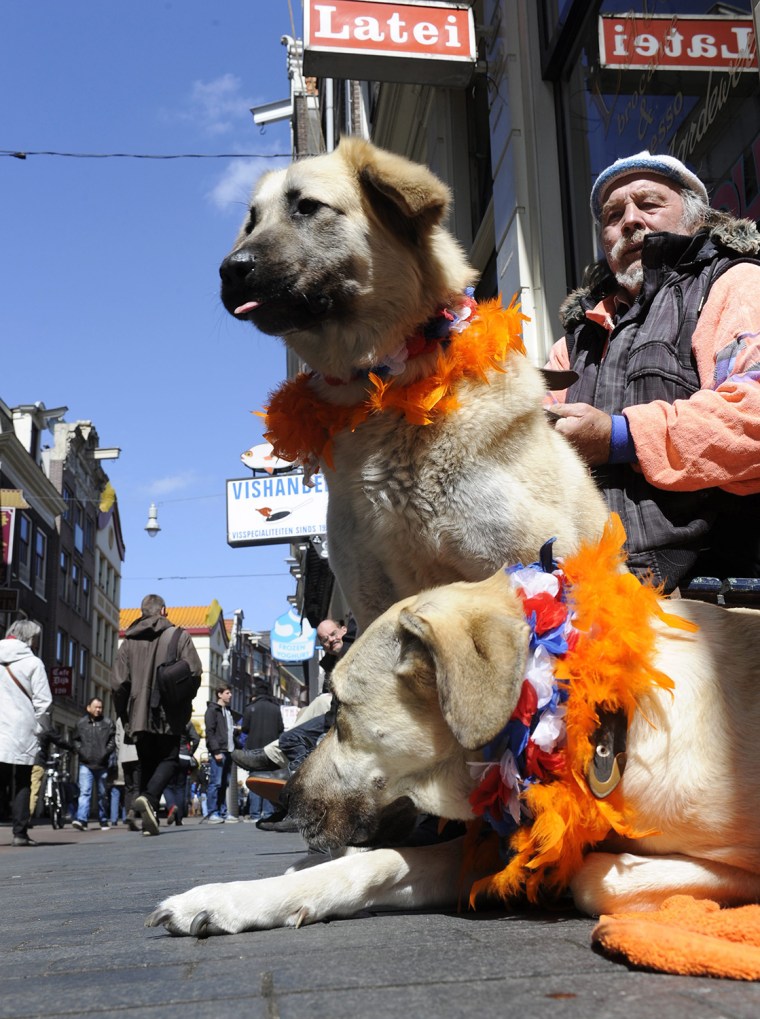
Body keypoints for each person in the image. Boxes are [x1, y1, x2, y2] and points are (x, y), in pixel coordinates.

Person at [545, 151, 760, 594]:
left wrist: (619, 437)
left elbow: (753, 417)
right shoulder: (575, 340)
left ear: (696, 217)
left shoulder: (733, 285)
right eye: (613, 214)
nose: (629, 220)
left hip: (716, 593)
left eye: (649, 204)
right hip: (590, 596)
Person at [112, 593, 202, 837]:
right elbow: (194, 672)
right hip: (168, 712)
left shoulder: (128, 641)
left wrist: (124, 714)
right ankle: (149, 798)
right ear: (164, 611)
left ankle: (145, 816)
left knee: (147, 762)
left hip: (137, 714)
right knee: (170, 758)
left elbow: (119, 684)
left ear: (141, 612)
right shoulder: (178, 635)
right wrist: (184, 699)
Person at [0, 620, 52, 846]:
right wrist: (42, 728)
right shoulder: (33, 663)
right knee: (23, 780)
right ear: (31, 638)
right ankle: (19, 833)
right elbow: (43, 701)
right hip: (22, 727)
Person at [239, 677, 283, 819]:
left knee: (255, 779)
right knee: (270, 780)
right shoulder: (276, 709)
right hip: (271, 750)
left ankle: (255, 813)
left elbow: (245, 728)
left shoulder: (250, 708)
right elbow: (280, 728)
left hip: (254, 749)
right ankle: (268, 812)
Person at [71, 697, 116, 832]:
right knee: (85, 792)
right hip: (86, 764)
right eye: (96, 707)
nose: (98, 710)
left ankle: (103, 819)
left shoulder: (107, 723)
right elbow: (76, 740)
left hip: (102, 764)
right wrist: (81, 751)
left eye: (100, 707)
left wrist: (106, 753)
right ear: (88, 708)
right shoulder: (81, 723)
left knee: (102, 794)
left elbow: (112, 740)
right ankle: (82, 820)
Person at [204, 684, 237, 824]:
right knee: (215, 783)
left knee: (224, 783)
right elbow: (210, 732)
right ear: (219, 694)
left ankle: (223, 812)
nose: (230, 695)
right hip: (219, 752)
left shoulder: (227, 711)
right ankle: (212, 812)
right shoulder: (212, 711)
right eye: (227, 693)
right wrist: (216, 751)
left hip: (228, 751)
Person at [164, 720, 200, 826]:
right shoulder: (187, 722)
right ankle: (179, 819)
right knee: (180, 788)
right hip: (184, 757)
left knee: (167, 785)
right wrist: (190, 752)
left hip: (170, 756)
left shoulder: (166, 720)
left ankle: (171, 807)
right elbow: (196, 739)